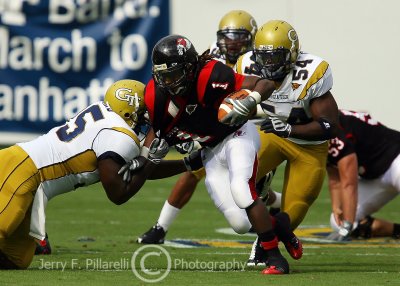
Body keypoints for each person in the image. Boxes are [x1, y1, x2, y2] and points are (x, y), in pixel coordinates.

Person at [142, 33, 304, 275]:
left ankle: (274, 257)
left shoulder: (211, 74)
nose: (168, 82)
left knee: (242, 189)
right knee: (240, 224)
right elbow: (156, 137)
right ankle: (279, 225)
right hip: (210, 150)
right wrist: (145, 156)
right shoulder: (156, 95)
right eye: (163, 75)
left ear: (189, 68)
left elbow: (265, 83)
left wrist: (252, 99)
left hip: (236, 134)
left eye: (173, 74)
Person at [0, 79, 197, 269]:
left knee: (16, 258)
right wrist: (152, 159)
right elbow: (118, 193)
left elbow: (136, 170)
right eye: (144, 113)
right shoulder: (119, 134)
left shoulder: (107, 118)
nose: (146, 120)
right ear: (129, 112)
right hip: (22, 171)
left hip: (25, 171)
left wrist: (186, 164)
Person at [137, 10, 281, 252]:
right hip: (209, 125)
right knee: (234, 213)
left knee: (242, 187)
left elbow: (264, 88)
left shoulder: (253, 59)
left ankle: (267, 247)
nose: (232, 43)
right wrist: (145, 157)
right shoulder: (204, 60)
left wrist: (248, 103)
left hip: (246, 117)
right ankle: (161, 226)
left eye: (239, 37)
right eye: (227, 37)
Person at [233, 19, 339, 262]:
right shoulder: (246, 65)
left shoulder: (311, 71)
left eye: (275, 57)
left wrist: (291, 129)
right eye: (263, 57)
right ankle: (265, 194)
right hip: (270, 134)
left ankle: (266, 239)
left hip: (309, 147)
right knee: (237, 178)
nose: (268, 64)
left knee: (294, 211)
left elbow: (329, 125)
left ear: (292, 54)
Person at [326, 109, 400, 241]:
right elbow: (334, 175)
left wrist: (348, 225)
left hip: (395, 159)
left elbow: (349, 183)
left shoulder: (335, 129)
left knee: (346, 223)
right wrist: (336, 207)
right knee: (337, 222)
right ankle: (397, 231)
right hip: (373, 176)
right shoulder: (321, 128)